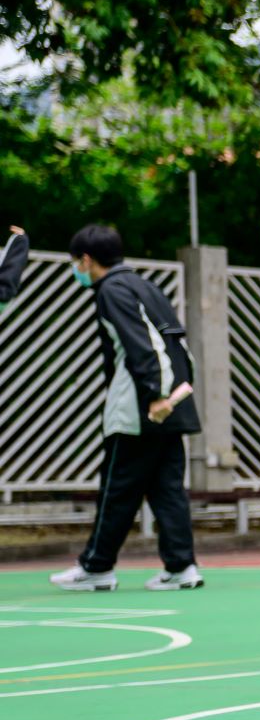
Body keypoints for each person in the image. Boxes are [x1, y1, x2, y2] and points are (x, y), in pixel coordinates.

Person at [48, 225, 204, 594]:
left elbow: (142, 344)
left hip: (139, 409)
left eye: (76, 263)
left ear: (86, 260)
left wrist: (154, 395)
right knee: (167, 489)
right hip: (172, 404)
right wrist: (176, 393)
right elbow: (176, 342)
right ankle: (181, 566)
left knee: (116, 488)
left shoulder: (112, 290)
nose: (76, 270)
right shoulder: (145, 286)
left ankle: (96, 567)